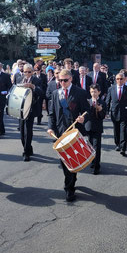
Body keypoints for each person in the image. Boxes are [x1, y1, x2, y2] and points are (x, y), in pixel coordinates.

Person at [47, 69, 89, 202]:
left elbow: (87, 111)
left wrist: (83, 118)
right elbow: (52, 113)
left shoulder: (80, 92)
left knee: (72, 158)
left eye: (65, 80)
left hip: (75, 131)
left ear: (71, 79)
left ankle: (69, 188)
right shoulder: (55, 94)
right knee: (65, 160)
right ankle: (70, 183)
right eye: (60, 80)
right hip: (61, 131)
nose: (62, 83)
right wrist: (50, 127)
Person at [15, 64, 43, 161]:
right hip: (20, 108)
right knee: (22, 131)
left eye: (29, 72)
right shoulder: (19, 79)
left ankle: (26, 152)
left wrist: (33, 87)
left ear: (32, 72)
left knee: (28, 130)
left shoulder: (37, 80)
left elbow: (41, 92)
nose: (27, 74)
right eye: (25, 72)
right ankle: (28, 147)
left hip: (31, 108)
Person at [105, 72, 127, 156]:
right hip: (114, 113)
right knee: (116, 130)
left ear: (124, 80)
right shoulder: (111, 89)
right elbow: (107, 101)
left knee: (123, 131)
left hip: (125, 113)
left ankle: (123, 148)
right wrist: (106, 112)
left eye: (121, 79)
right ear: (115, 80)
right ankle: (118, 144)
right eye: (117, 79)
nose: (119, 80)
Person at [85, 84, 106, 175]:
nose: (94, 93)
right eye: (92, 91)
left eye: (95, 92)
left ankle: (97, 167)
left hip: (97, 128)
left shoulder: (102, 102)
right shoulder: (87, 101)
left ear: (99, 92)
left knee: (96, 147)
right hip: (88, 127)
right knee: (90, 147)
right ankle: (93, 162)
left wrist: (100, 110)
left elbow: (103, 116)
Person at [0, 62, 12, 139]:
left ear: (0, 67)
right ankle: (2, 129)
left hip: (2, 98)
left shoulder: (6, 76)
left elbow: (10, 87)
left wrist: (5, 92)